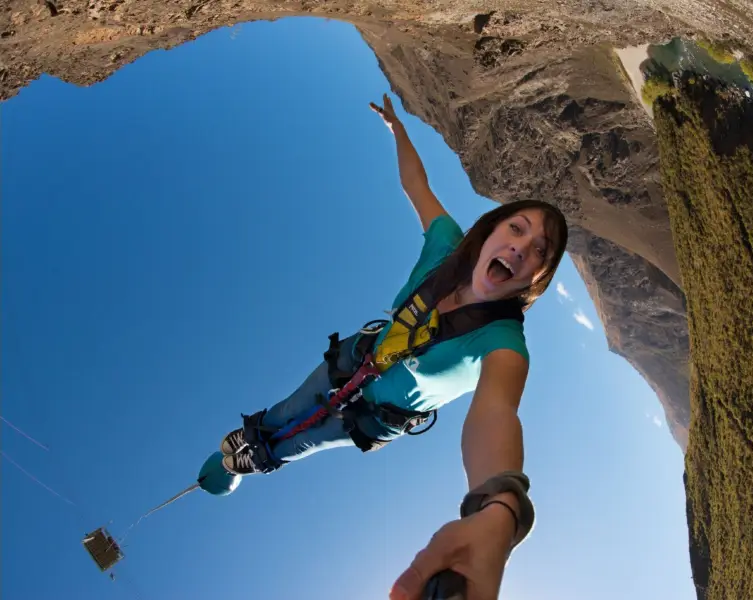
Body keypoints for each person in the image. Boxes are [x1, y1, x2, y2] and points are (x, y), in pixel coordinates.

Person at [201, 93, 569, 600]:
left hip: (381, 415)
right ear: (490, 232)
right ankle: (250, 440)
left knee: (303, 442)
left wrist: (500, 505)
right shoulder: (447, 247)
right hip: (355, 358)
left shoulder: (504, 341)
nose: (520, 248)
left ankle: (255, 460)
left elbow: (495, 412)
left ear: (535, 279)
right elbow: (415, 185)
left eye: (537, 253)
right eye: (516, 228)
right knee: (290, 409)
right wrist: (398, 130)